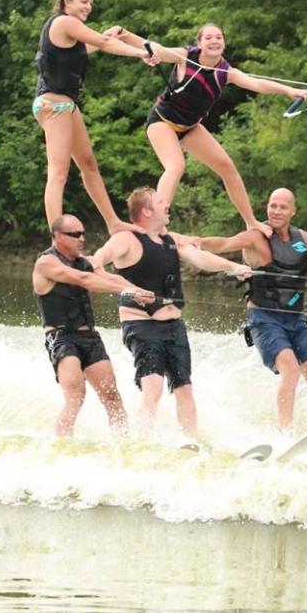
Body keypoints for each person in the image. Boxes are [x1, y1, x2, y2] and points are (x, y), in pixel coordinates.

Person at [199, 188, 307, 434]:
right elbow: (224, 243)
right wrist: (194, 242)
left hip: (295, 319)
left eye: (283, 207)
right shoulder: (256, 237)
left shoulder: (304, 238)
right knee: (291, 370)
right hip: (263, 318)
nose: (277, 211)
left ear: (293, 211)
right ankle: (285, 435)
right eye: (273, 205)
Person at [116, 22, 307, 235]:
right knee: (176, 165)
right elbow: (155, 48)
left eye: (218, 37)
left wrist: (288, 90)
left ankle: (251, 222)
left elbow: (257, 83)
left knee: (227, 167)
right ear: (199, 43)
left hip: (189, 127)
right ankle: (157, 224)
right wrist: (125, 34)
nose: (214, 41)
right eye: (208, 38)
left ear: (224, 42)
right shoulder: (184, 56)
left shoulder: (226, 72)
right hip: (162, 121)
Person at [90, 185, 250, 440]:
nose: (167, 205)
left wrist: (232, 266)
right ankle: (142, 442)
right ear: (146, 211)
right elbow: (100, 258)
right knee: (153, 387)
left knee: (184, 389)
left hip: (174, 327)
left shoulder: (171, 239)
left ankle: (191, 441)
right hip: (142, 325)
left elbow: (200, 258)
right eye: (160, 202)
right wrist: (102, 268)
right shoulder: (126, 239)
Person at [33, 0, 152, 232]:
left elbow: (89, 47)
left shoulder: (70, 31)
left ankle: (113, 223)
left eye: (91, 3)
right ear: (67, 2)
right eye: (84, 2)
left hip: (67, 105)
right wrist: (141, 53)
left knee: (88, 164)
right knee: (59, 172)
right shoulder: (64, 22)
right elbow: (104, 44)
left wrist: (108, 35)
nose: (89, 7)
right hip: (53, 105)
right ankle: (56, 235)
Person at [32, 213, 155, 437]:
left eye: (83, 233)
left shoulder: (85, 262)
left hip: (89, 337)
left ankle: (123, 442)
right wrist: (126, 292)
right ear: (58, 236)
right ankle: (62, 443)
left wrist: (140, 292)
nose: (81, 238)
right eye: (75, 234)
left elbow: (111, 279)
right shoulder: (46, 263)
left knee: (112, 396)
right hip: (61, 338)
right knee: (76, 396)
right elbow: (84, 280)